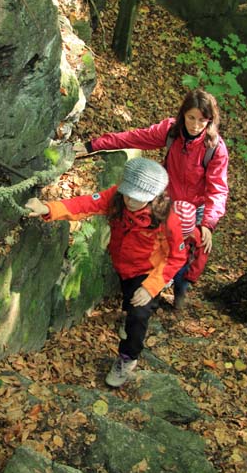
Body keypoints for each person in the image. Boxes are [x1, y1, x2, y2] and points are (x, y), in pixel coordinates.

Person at [25, 157, 187, 387]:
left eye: (137, 197)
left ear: (153, 197)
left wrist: (150, 288)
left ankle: (128, 357)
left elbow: (177, 257)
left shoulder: (167, 218)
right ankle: (129, 315)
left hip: (150, 272)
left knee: (139, 314)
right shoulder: (117, 199)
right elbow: (84, 205)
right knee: (129, 299)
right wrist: (48, 208)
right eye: (127, 193)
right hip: (122, 265)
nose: (130, 200)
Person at [74, 89, 229, 308]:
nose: (195, 125)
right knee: (158, 244)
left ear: (210, 120)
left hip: (197, 208)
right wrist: (93, 145)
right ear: (183, 114)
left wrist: (208, 224)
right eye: (191, 118)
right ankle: (148, 292)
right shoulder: (170, 132)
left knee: (196, 250)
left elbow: (218, 189)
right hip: (166, 201)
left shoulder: (215, 149)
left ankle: (181, 288)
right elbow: (134, 137)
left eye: (202, 120)